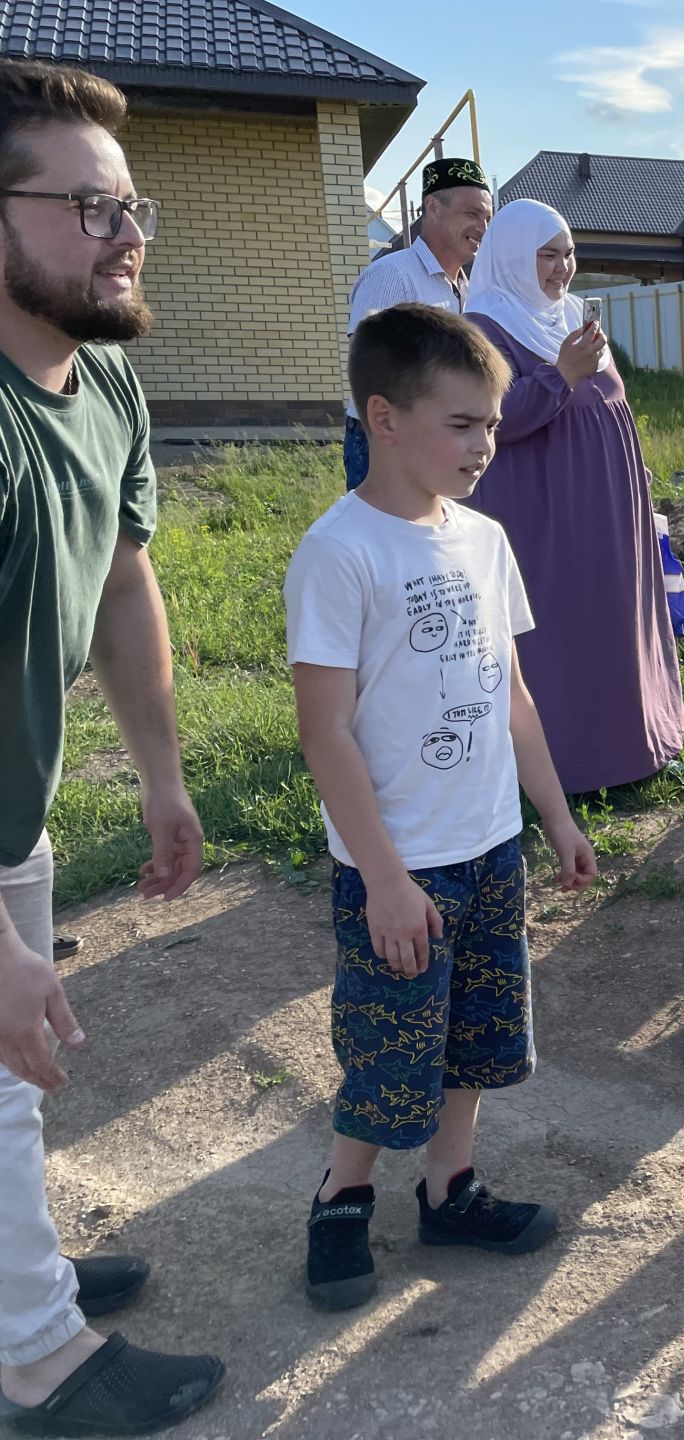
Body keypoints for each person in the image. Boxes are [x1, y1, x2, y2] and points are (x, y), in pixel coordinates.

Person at [286, 303, 598, 1312]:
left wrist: (554, 815)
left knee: (473, 1036)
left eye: (492, 424)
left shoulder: (487, 540)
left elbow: (512, 695)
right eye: (460, 424)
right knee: (388, 1047)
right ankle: (342, 1197)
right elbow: (325, 731)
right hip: (398, 864)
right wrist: (382, 876)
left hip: (490, 849)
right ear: (382, 416)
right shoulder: (339, 552)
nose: (484, 446)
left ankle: (450, 1187)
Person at [0, 58, 224, 1435]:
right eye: (87, 206)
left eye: (130, 203)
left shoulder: (102, 385)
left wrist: (161, 776)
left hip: (10, 811)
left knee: (13, 1068)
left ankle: (21, 1282)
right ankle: (36, 1364)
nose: (126, 230)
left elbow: (125, 582)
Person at [461, 198, 684, 794]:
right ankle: (569, 766)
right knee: (564, 627)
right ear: (512, 256)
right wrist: (560, 375)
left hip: (607, 505)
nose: (562, 268)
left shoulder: (568, 318)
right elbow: (492, 419)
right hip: (546, 511)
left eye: (567, 254)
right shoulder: (482, 327)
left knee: (618, 614)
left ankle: (639, 745)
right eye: (546, 254)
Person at [341, 157, 492, 491]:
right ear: (433, 207)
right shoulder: (392, 275)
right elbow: (367, 365)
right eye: (471, 213)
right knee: (387, 539)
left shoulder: (470, 288)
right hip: (388, 441)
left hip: (445, 442)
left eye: (487, 216)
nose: (482, 226)